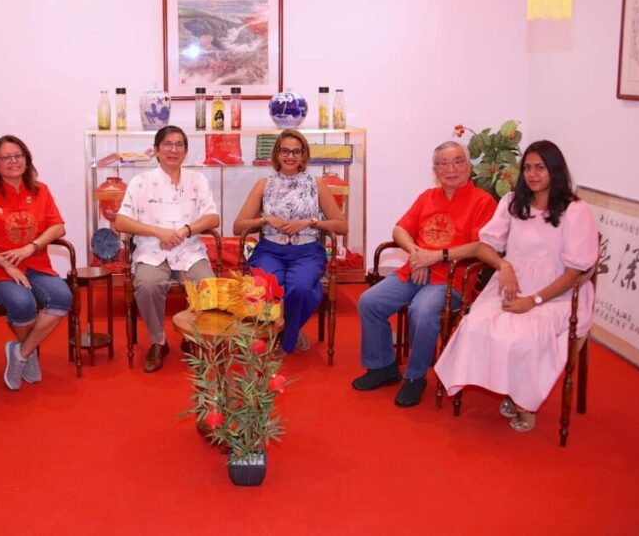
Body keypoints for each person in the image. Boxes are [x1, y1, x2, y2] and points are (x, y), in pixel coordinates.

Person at [434, 140, 598, 432]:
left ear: (555, 170)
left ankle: (524, 401)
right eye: (528, 168)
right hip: (511, 284)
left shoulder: (575, 210)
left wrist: (533, 301)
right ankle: (510, 388)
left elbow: (575, 272)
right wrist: (504, 266)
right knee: (475, 325)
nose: (533, 174)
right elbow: (485, 246)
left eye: (540, 168)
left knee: (524, 336)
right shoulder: (512, 202)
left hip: (557, 294)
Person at [352, 141, 497, 407]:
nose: (450, 169)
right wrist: (416, 253)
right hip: (415, 270)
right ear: (434, 170)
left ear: (468, 166)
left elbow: (481, 246)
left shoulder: (482, 201)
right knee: (369, 301)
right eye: (443, 164)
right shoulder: (427, 197)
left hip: (451, 278)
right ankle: (383, 367)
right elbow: (399, 229)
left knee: (423, 309)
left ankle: (415, 377)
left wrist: (437, 256)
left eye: (457, 162)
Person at [0, 135, 73, 391]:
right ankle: (30, 352)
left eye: (18, 156)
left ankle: (22, 353)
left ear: (26, 159)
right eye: (6, 157)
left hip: (36, 263)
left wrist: (32, 246)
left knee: (62, 297)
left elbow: (58, 227)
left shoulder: (40, 190)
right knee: (22, 303)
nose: (13, 161)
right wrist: (6, 264)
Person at [112, 126, 220, 373]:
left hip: (188, 250)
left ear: (186, 150)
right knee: (147, 284)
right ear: (156, 150)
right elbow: (121, 222)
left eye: (179, 144)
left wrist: (186, 230)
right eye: (167, 144)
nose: (173, 150)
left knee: (208, 285)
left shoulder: (198, 180)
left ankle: (192, 336)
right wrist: (157, 232)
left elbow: (213, 218)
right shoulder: (140, 182)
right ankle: (158, 341)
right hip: (152, 250)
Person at [233, 129, 347, 353]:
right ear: (277, 154)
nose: (290, 156)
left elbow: (342, 226)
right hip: (270, 250)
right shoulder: (264, 184)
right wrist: (266, 219)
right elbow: (238, 226)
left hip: (307, 251)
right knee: (269, 285)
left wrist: (310, 222)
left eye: (296, 151)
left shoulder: (316, 184)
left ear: (304, 156)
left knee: (301, 288)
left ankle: (284, 337)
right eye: (285, 150)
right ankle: (289, 332)